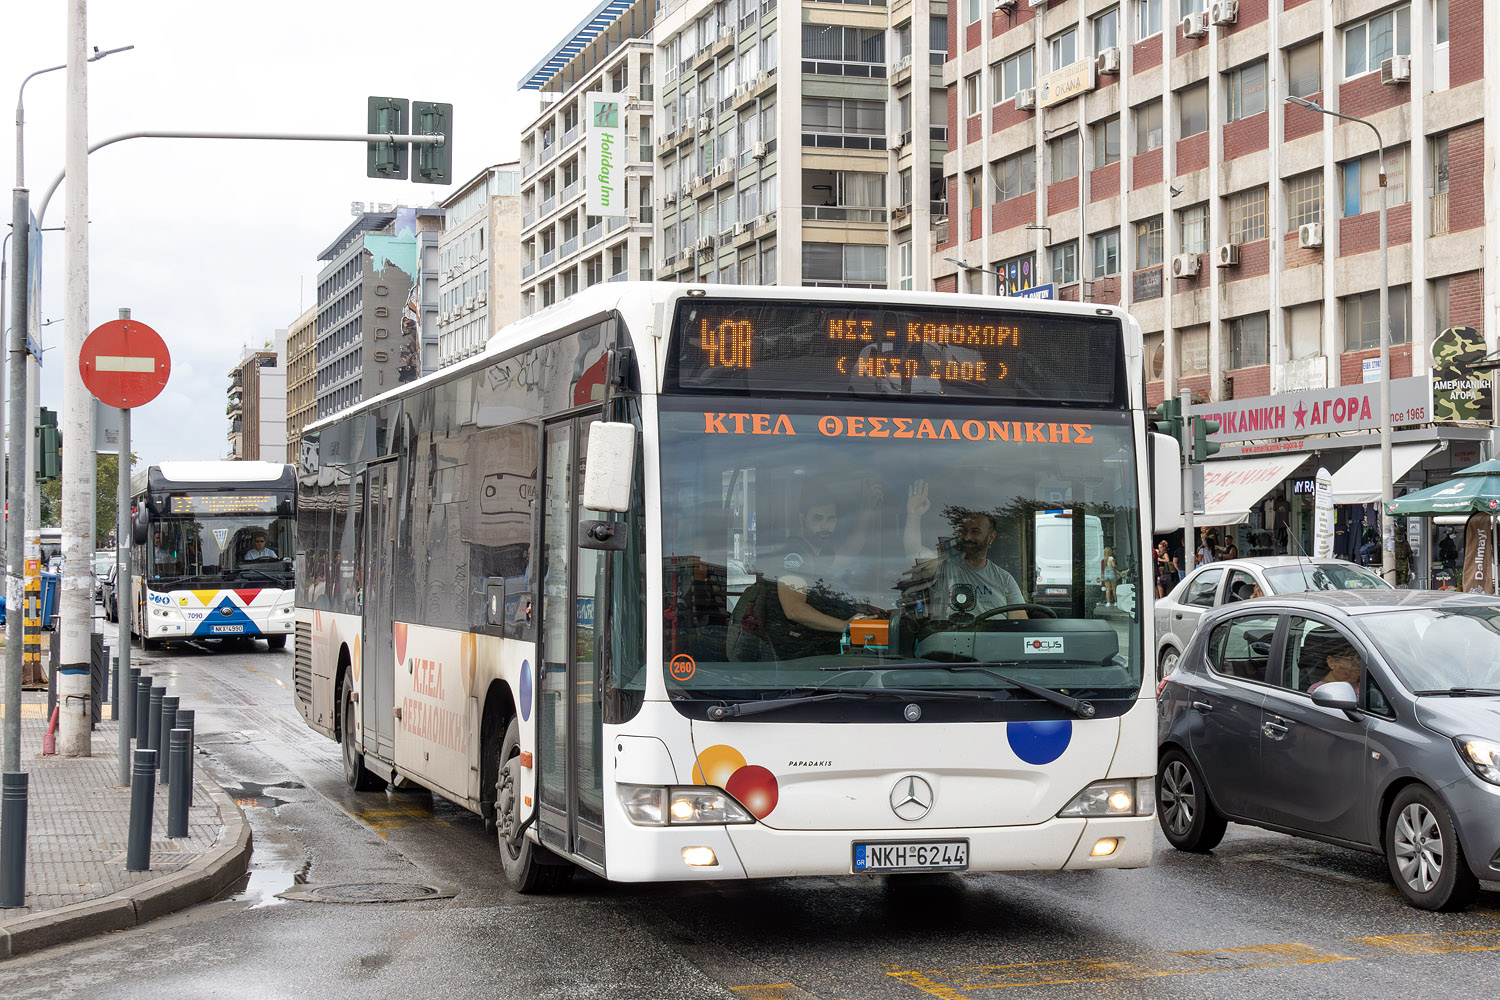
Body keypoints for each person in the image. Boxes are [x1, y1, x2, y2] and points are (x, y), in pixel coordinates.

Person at [770, 482, 879, 656]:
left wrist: (866, 511)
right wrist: (845, 625)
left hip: (819, 652)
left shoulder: (822, 554)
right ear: (801, 518)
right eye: (817, 518)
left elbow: (850, 550)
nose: (825, 525)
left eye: (831, 518)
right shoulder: (794, 554)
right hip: (794, 656)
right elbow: (794, 609)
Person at [905, 480, 1026, 619]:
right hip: (952, 640)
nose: (968, 537)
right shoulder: (944, 568)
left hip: (995, 640)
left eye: (975, 531)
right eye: (965, 531)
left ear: (991, 537)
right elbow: (914, 551)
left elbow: (1019, 625)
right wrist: (913, 515)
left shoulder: (1004, 579)